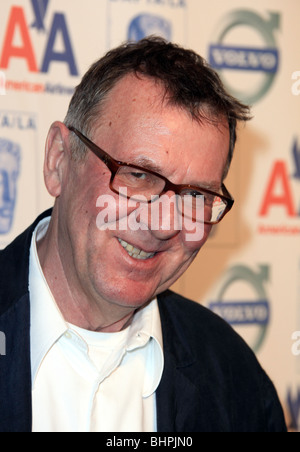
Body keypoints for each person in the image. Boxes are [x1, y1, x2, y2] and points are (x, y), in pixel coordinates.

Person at [0, 37, 286, 432]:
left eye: (195, 196)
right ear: (59, 161)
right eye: (139, 175)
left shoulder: (233, 377)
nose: (165, 224)